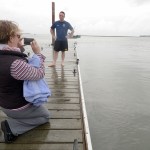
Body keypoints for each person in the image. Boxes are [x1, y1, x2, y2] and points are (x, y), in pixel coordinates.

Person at [0, 20, 50, 143]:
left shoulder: (7, 56)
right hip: (17, 107)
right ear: (11, 37)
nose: (20, 39)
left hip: (5, 103)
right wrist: (38, 53)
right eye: (18, 36)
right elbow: (39, 74)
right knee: (45, 116)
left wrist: (18, 48)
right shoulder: (15, 63)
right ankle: (12, 127)